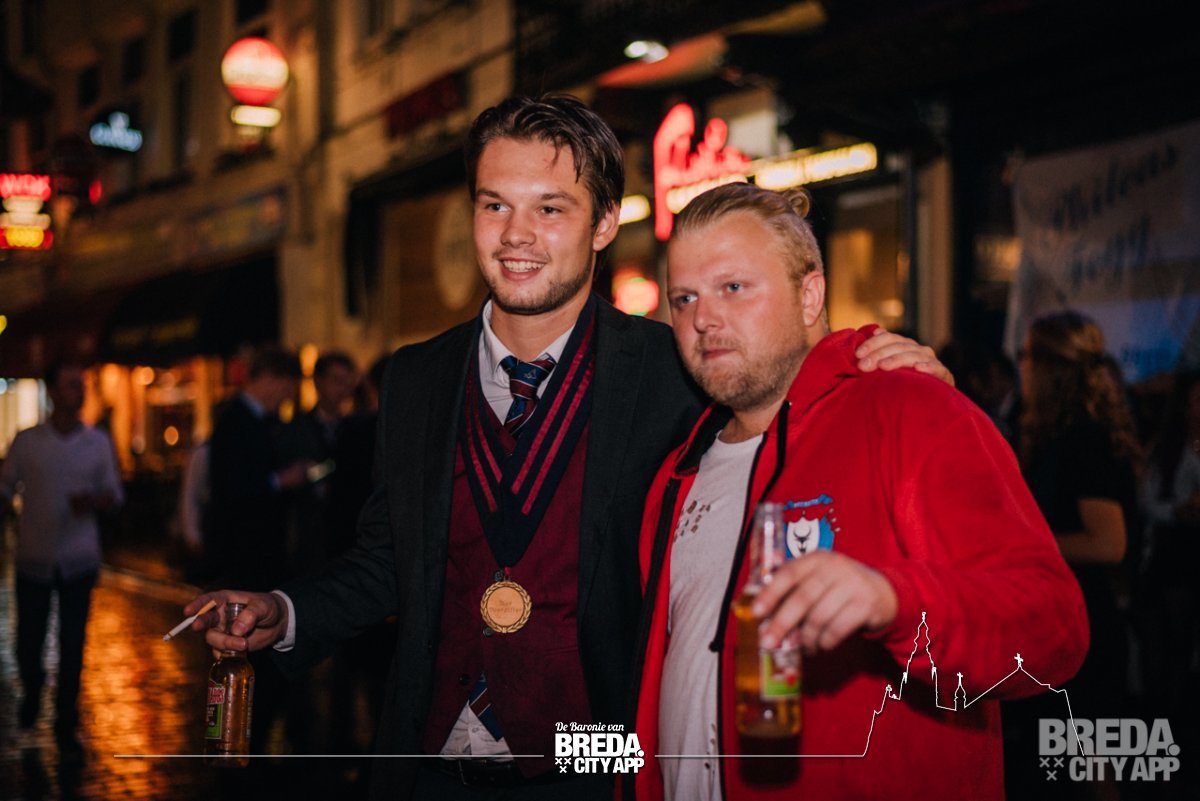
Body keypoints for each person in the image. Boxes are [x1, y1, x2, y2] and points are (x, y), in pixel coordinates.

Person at [183, 95, 947, 800]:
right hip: (429, 762)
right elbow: (391, 559)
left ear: (605, 222)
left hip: (593, 762)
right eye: (495, 205)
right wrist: (285, 610)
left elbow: (777, 384)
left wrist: (869, 361)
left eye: (550, 208)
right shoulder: (417, 377)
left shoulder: (673, 368)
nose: (516, 234)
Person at [628, 183, 1088, 801]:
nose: (702, 319)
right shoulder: (677, 473)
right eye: (684, 298)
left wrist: (895, 601)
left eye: (733, 287)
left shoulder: (909, 408)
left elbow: (1054, 629)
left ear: (809, 294)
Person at [0, 361, 124, 752]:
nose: (80, 392)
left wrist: (96, 501)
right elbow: (5, 487)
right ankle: (33, 687)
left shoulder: (97, 442)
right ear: (53, 391)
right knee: (28, 639)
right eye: (72, 385)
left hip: (78, 557)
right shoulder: (28, 441)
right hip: (34, 557)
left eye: (81, 385)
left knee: (73, 641)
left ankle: (66, 716)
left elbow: (114, 493)